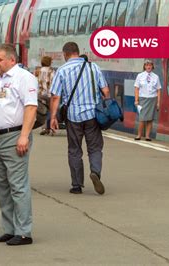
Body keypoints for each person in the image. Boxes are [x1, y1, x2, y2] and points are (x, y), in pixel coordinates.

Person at [0, 44, 37, 246]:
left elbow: (31, 107)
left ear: (12, 60)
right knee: (1, 185)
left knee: (17, 185)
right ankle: (9, 228)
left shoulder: (24, 78)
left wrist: (24, 135)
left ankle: (23, 231)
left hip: (13, 137)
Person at [49, 42, 110, 195]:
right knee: (95, 148)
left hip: (73, 116)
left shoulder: (62, 70)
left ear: (65, 54)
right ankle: (95, 172)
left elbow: (55, 96)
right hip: (92, 116)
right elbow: (106, 91)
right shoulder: (93, 67)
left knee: (74, 150)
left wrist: (53, 117)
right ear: (78, 52)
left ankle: (76, 185)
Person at [134, 59, 161, 141]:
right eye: (147, 65)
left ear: (152, 66)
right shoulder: (140, 76)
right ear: (144, 66)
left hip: (152, 99)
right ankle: (139, 135)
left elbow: (158, 90)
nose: (148, 67)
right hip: (143, 99)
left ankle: (147, 136)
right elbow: (136, 88)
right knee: (142, 118)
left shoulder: (156, 77)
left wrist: (158, 102)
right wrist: (136, 100)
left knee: (150, 118)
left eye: (150, 65)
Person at [36, 56, 55, 136]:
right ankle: (50, 127)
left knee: (42, 111)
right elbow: (53, 82)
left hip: (40, 94)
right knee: (51, 111)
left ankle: (43, 128)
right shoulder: (51, 71)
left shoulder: (37, 71)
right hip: (49, 94)